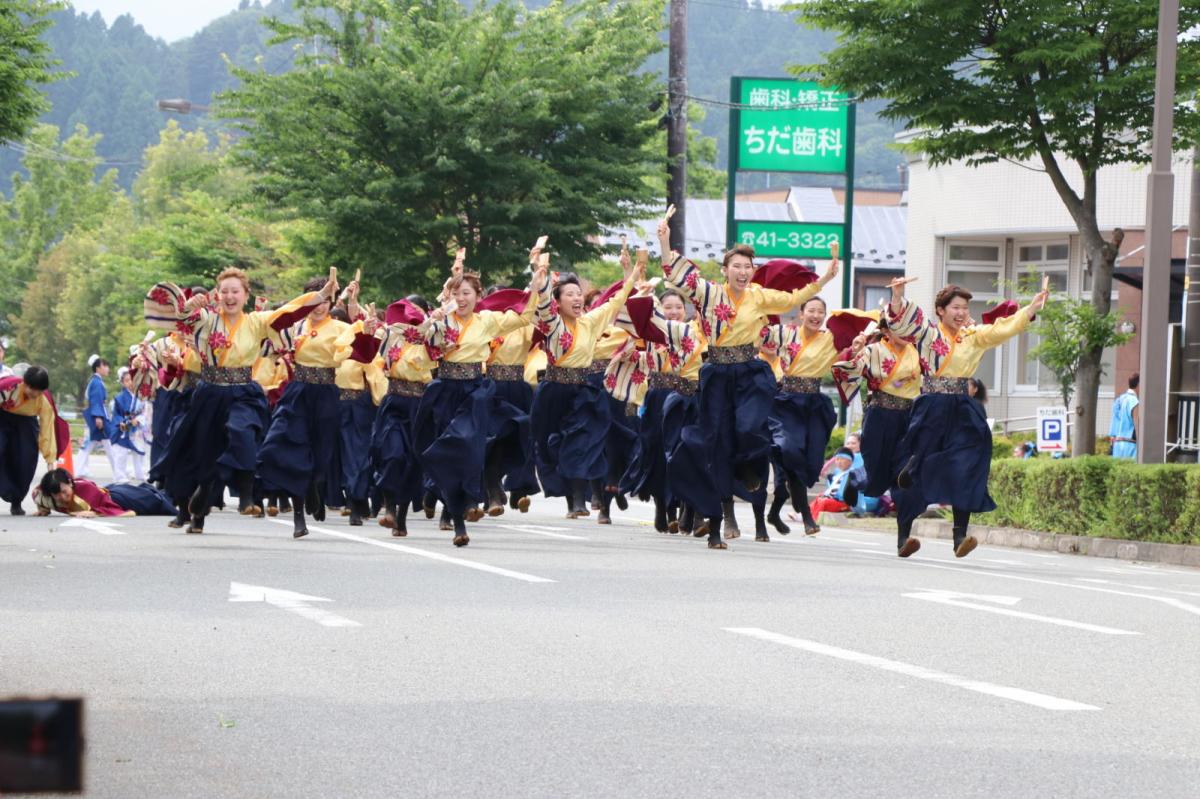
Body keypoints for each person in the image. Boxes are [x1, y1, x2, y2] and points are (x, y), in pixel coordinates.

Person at [657, 213, 838, 548]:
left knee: (749, 426)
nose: (743, 272)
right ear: (725, 270)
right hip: (715, 375)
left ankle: (747, 470)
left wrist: (826, 276)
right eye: (737, 266)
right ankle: (715, 527)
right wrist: (665, 240)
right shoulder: (708, 293)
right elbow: (675, 274)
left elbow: (793, 300)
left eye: (748, 267)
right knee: (715, 445)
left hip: (750, 374)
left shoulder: (759, 295)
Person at [144, 267, 338, 534]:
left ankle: (246, 491)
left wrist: (320, 295)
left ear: (246, 295)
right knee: (205, 452)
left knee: (243, 430)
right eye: (224, 291)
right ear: (217, 294)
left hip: (243, 391)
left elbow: (289, 311)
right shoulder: (207, 318)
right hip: (210, 391)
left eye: (235, 291)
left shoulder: (257, 321)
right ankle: (199, 502)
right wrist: (191, 304)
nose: (229, 296)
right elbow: (184, 318)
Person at [887, 279, 1048, 558]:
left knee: (966, 466)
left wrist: (1030, 309)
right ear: (940, 310)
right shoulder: (927, 332)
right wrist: (898, 296)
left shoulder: (973, 334)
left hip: (962, 407)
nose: (961, 313)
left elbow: (1001, 329)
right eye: (955, 307)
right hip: (931, 405)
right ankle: (904, 535)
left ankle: (959, 535)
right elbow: (901, 324)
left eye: (965, 307)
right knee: (917, 472)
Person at [416, 251, 541, 546]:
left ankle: (464, 511)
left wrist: (535, 287)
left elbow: (523, 316)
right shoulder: (442, 320)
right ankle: (450, 509)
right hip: (446, 389)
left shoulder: (487, 320)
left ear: (477, 296)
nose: (462, 299)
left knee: (475, 448)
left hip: (476, 391)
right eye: (457, 293)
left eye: (467, 293)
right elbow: (426, 347)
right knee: (449, 450)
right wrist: (434, 324)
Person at [531, 252, 641, 523]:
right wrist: (539, 273)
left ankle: (580, 499)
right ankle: (571, 498)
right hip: (552, 390)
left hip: (582, 390)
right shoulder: (552, 324)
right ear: (558, 301)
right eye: (569, 294)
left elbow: (617, 302)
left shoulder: (590, 322)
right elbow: (542, 302)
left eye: (578, 293)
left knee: (581, 440)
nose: (577, 298)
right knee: (552, 444)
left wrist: (632, 273)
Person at [258, 275, 362, 538]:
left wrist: (359, 314)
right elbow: (271, 334)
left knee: (321, 452)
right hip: (297, 391)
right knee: (288, 446)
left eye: (325, 300)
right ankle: (298, 516)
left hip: (327, 392)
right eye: (315, 300)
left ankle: (316, 485)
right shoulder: (295, 326)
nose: (320, 306)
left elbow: (363, 348)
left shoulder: (339, 327)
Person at [834, 309, 923, 556]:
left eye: (909, 326)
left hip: (909, 418)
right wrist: (855, 349)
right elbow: (848, 370)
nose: (906, 332)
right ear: (885, 331)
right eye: (899, 327)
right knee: (877, 474)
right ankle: (855, 479)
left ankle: (903, 537)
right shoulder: (872, 350)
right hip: (879, 417)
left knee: (904, 476)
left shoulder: (918, 351)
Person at [0, 367, 68, 515]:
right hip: (2, 418)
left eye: (39, 390)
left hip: (26, 423)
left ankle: (16, 500)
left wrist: (51, 464)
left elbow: (47, 430)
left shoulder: (44, 400)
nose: (35, 394)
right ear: (24, 383)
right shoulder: (7, 387)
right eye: (32, 389)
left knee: (26, 459)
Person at [34, 468, 175, 517]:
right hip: (112, 491)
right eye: (57, 495)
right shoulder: (47, 497)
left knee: (156, 501)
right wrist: (43, 508)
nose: (62, 498)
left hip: (119, 498)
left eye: (65, 492)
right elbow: (36, 493)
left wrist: (95, 512)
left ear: (70, 484)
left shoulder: (85, 489)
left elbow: (123, 511)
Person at [77, 355, 115, 479]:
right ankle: (119, 473)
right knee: (93, 445)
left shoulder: (95, 381)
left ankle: (80, 470)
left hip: (97, 415)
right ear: (98, 368)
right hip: (97, 417)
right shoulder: (97, 383)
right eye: (105, 365)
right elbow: (96, 401)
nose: (107, 368)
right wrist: (98, 417)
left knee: (92, 445)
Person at [110, 367, 146, 484]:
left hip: (137, 428)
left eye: (131, 379)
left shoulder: (140, 396)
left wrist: (139, 420)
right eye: (126, 380)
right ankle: (119, 476)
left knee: (139, 451)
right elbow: (116, 414)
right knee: (121, 453)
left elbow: (144, 411)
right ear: (122, 383)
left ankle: (140, 473)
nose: (130, 382)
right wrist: (123, 422)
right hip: (123, 428)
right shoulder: (119, 398)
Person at [808, 448, 856, 519]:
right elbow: (827, 476)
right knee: (819, 498)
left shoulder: (852, 474)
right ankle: (806, 516)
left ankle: (814, 519)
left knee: (824, 502)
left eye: (842, 459)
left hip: (845, 504)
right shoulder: (838, 474)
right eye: (837, 459)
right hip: (834, 500)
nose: (839, 462)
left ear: (850, 462)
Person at [1110, 373, 1139, 459]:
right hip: (1130, 443)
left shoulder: (1119, 400)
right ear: (1138, 384)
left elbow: (1114, 421)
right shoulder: (1134, 401)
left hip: (1117, 444)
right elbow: (1136, 423)